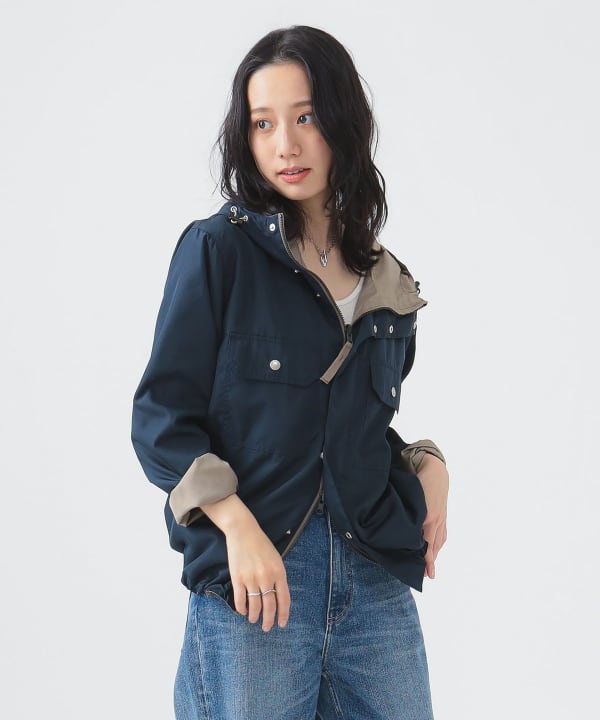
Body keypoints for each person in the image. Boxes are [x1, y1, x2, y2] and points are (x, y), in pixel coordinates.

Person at [131, 24, 449, 720]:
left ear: (343, 120)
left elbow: (343, 432)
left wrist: (428, 463)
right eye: (263, 123)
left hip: (374, 582)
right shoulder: (219, 252)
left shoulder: (386, 282)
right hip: (258, 580)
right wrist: (236, 526)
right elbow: (161, 420)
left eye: (305, 117)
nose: (285, 145)